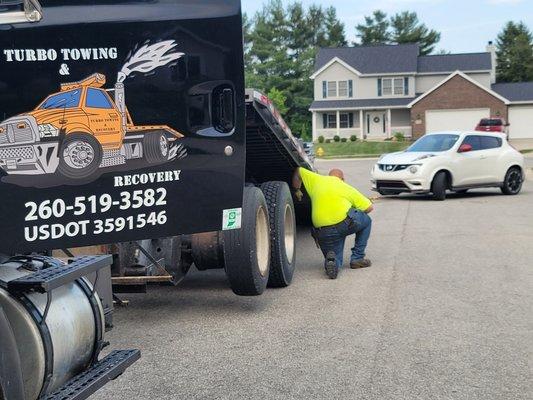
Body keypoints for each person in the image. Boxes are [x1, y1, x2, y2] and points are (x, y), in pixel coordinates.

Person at [293, 167, 374, 279]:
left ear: (328, 175)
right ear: (343, 179)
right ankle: (357, 258)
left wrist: (297, 190)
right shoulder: (345, 187)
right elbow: (369, 208)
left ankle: (332, 261)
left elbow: (298, 171)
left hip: (322, 231)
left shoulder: (317, 180)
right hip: (345, 224)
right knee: (366, 221)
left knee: (336, 259)